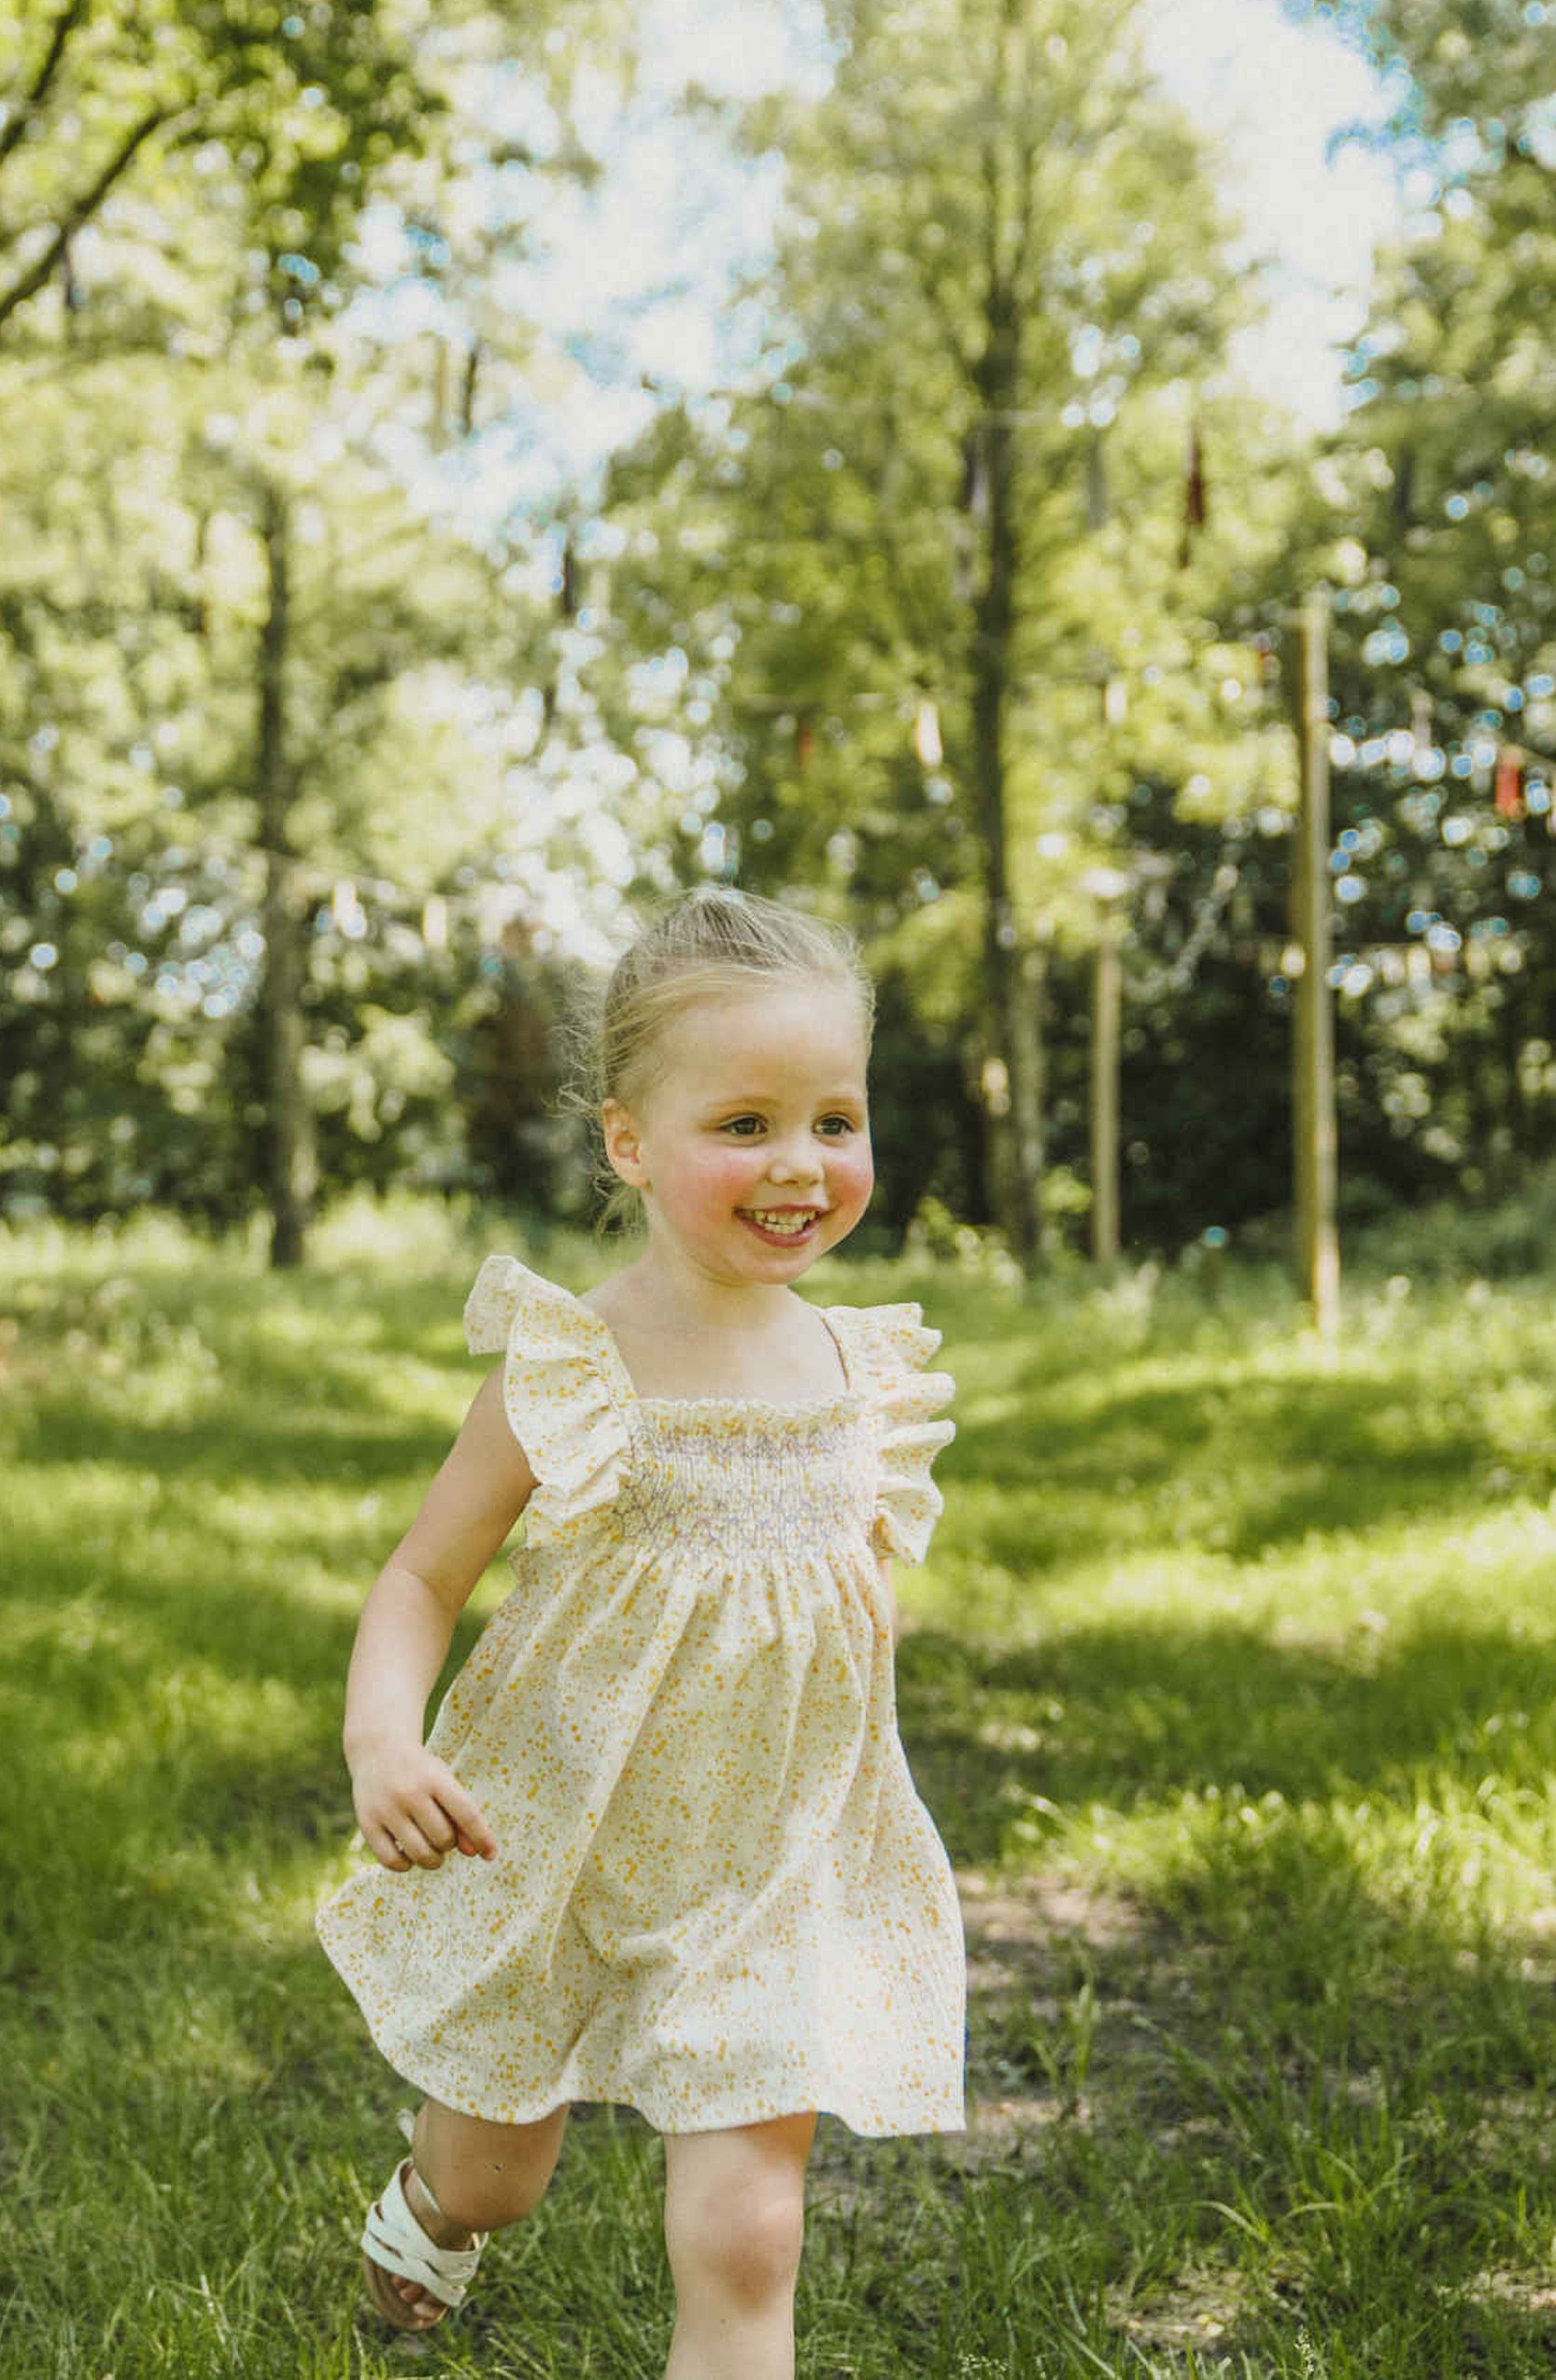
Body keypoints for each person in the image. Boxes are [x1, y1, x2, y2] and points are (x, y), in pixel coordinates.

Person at [316, 886, 964, 2378]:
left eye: (833, 1120)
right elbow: (420, 1578)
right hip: (546, 1837)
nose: (799, 1163)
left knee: (750, 2230)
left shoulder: (869, 1375)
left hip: (766, 1869)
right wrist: (380, 1737)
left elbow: (833, 1624)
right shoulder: (573, 1363)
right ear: (628, 1144)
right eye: (743, 1124)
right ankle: (435, 2206)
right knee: (500, 2169)